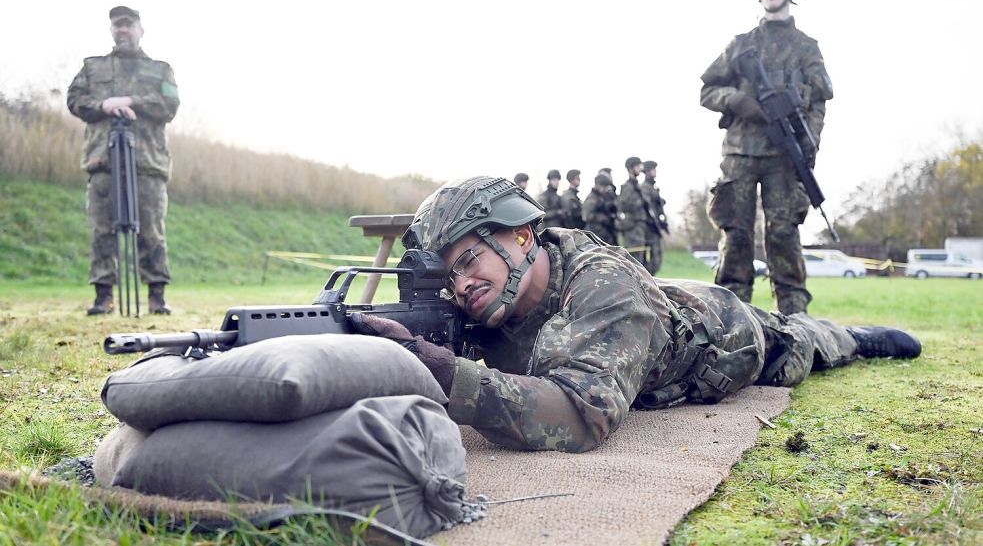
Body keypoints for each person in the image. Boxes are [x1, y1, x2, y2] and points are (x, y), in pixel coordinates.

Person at [353, 177, 921, 453]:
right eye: (448, 273)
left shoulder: (605, 288)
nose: (462, 283)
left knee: (794, 344)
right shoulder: (481, 299)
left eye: (471, 258)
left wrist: (448, 374)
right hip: (647, 309)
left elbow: (579, 416)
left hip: (719, 338)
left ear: (522, 235)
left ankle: (849, 335)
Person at [700, 0, 833, 315]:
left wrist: (809, 142)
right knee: (736, 235)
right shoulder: (741, 44)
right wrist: (736, 101)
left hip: (784, 156)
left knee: (784, 234)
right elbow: (707, 91)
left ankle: (795, 318)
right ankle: (730, 318)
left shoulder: (806, 47)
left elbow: (818, 101)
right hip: (740, 154)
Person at [67, 6, 180, 315]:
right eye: (117, 25)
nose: (122, 30)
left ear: (140, 29)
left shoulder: (160, 69)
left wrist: (131, 102)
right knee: (101, 229)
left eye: (128, 25)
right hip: (103, 160)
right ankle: (103, 297)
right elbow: (75, 100)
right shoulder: (93, 67)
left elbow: (170, 105)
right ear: (111, 30)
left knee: (152, 230)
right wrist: (105, 104)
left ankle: (157, 297)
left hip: (147, 162)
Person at [616, 157, 651, 270]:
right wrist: (640, 202)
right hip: (632, 227)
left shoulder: (638, 186)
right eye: (637, 166)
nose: (639, 169)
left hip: (640, 227)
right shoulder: (627, 187)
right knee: (634, 260)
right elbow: (624, 205)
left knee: (641, 260)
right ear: (631, 168)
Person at [639, 160, 669, 274]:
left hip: (655, 228)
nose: (655, 171)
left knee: (657, 259)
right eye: (653, 169)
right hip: (649, 229)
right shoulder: (645, 187)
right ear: (646, 171)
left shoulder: (653, 187)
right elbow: (647, 207)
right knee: (651, 261)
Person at [582, 172, 618, 245]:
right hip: (596, 233)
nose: (605, 189)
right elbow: (586, 216)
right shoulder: (592, 198)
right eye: (604, 187)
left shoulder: (602, 197)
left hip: (605, 233)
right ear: (598, 185)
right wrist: (603, 218)